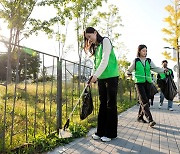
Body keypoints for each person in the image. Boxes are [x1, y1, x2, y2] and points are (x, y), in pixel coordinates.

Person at [84, 27, 119, 142]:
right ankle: (100, 131)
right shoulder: (96, 47)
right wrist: (91, 77)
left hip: (111, 77)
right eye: (87, 39)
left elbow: (105, 60)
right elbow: (95, 64)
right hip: (102, 78)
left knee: (111, 104)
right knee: (102, 104)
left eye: (90, 37)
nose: (89, 40)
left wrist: (96, 76)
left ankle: (110, 133)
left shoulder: (105, 41)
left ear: (95, 32)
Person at [126, 44, 167, 127]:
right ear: (139, 51)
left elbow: (156, 69)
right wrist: (128, 73)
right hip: (139, 83)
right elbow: (129, 70)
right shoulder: (136, 61)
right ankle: (150, 120)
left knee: (145, 101)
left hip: (148, 83)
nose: (145, 52)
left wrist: (163, 70)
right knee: (144, 101)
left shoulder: (149, 61)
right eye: (143, 51)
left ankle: (140, 117)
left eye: (146, 51)